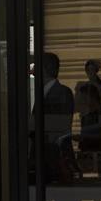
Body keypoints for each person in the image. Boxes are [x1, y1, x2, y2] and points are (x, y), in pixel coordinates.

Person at [40, 52, 77, 182]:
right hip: (44, 158)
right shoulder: (41, 92)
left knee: (64, 198)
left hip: (57, 156)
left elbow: (62, 124)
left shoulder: (63, 93)